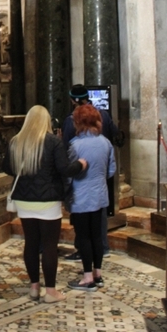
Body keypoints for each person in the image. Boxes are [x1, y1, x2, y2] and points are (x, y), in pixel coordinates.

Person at [3, 105, 87, 304]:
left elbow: (6, 167)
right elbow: (65, 169)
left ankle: (34, 288)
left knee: (31, 243)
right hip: (48, 200)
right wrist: (81, 164)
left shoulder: (16, 141)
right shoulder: (52, 142)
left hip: (24, 200)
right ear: (46, 121)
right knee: (49, 245)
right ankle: (50, 291)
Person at [62, 83, 124, 260]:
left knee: (81, 219)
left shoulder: (71, 122)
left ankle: (83, 251)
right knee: (99, 215)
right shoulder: (104, 115)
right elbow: (116, 136)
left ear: (73, 100)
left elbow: (66, 150)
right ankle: (102, 248)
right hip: (100, 175)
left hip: (80, 177)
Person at [67, 104, 116, 291]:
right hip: (99, 195)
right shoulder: (106, 143)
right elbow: (111, 171)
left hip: (80, 196)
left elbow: (70, 173)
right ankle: (98, 274)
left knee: (84, 237)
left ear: (78, 122)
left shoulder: (75, 145)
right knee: (97, 235)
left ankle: (87, 278)